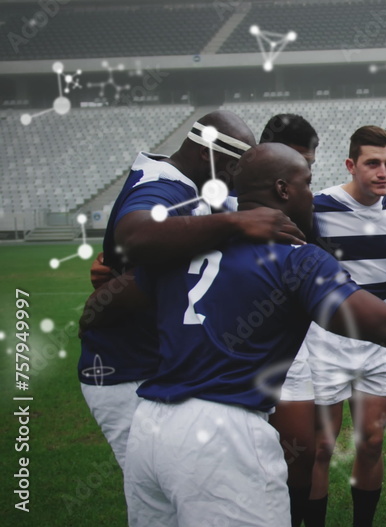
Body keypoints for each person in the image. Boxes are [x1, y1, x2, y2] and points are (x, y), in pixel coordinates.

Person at [80, 143, 386, 527]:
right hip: (222, 436)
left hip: (150, 430)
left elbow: (102, 310)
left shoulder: (186, 243)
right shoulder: (296, 258)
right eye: (307, 184)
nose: (314, 194)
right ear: (284, 190)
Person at [78, 110, 302, 471]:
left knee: (182, 485)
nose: (240, 179)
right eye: (235, 167)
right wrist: (236, 222)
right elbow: (135, 237)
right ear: (205, 154)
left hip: (160, 365)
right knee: (164, 486)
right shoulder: (162, 185)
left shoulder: (197, 187)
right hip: (126, 367)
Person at [289, 125, 386, 527]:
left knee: (372, 443)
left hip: (378, 341)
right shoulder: (318, 206)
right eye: (372, 163)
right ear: (351, 164)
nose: (383, 172)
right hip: (325, 340)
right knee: (321, 448)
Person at [255, 113, 326, 527]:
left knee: (302, 450)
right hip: (230, 352)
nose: (303, 174)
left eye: (309, 167)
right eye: (297, 162)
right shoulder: (220, 206)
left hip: (288, 352)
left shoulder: (303, 213)